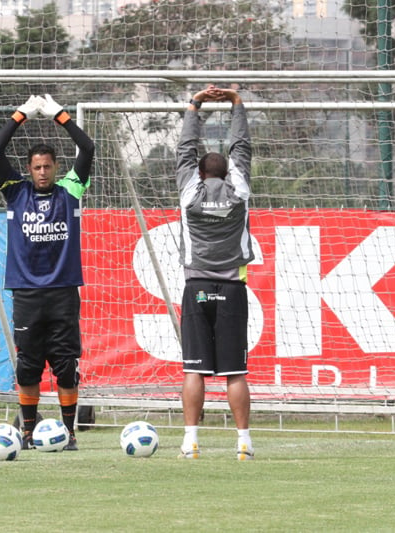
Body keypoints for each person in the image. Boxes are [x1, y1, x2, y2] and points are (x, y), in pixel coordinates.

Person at [0, 95, 95, 451]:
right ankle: (29, 433)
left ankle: (69, 433)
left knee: (65, 367)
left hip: (63, 293)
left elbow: (88, 146)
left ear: (56, 167)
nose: (43, 172)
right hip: (27, 295)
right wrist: (20, 115)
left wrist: (59, 116)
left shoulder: (71, 190)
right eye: (37, 167)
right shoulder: (15, 192)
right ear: (29, 169)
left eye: (48, 166)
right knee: (28, 369)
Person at [175, 85, 255, 460]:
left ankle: (191, 442)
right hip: (233, 288)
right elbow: (241, 147)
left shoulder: (189, 192)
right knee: (235, 372)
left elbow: (183, 150)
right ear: (227, 171)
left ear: (199, 172)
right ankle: (243, 443)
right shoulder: (239, 190)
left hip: (197, 288)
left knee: (194, 370)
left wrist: (195, 105)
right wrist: (236, 104)